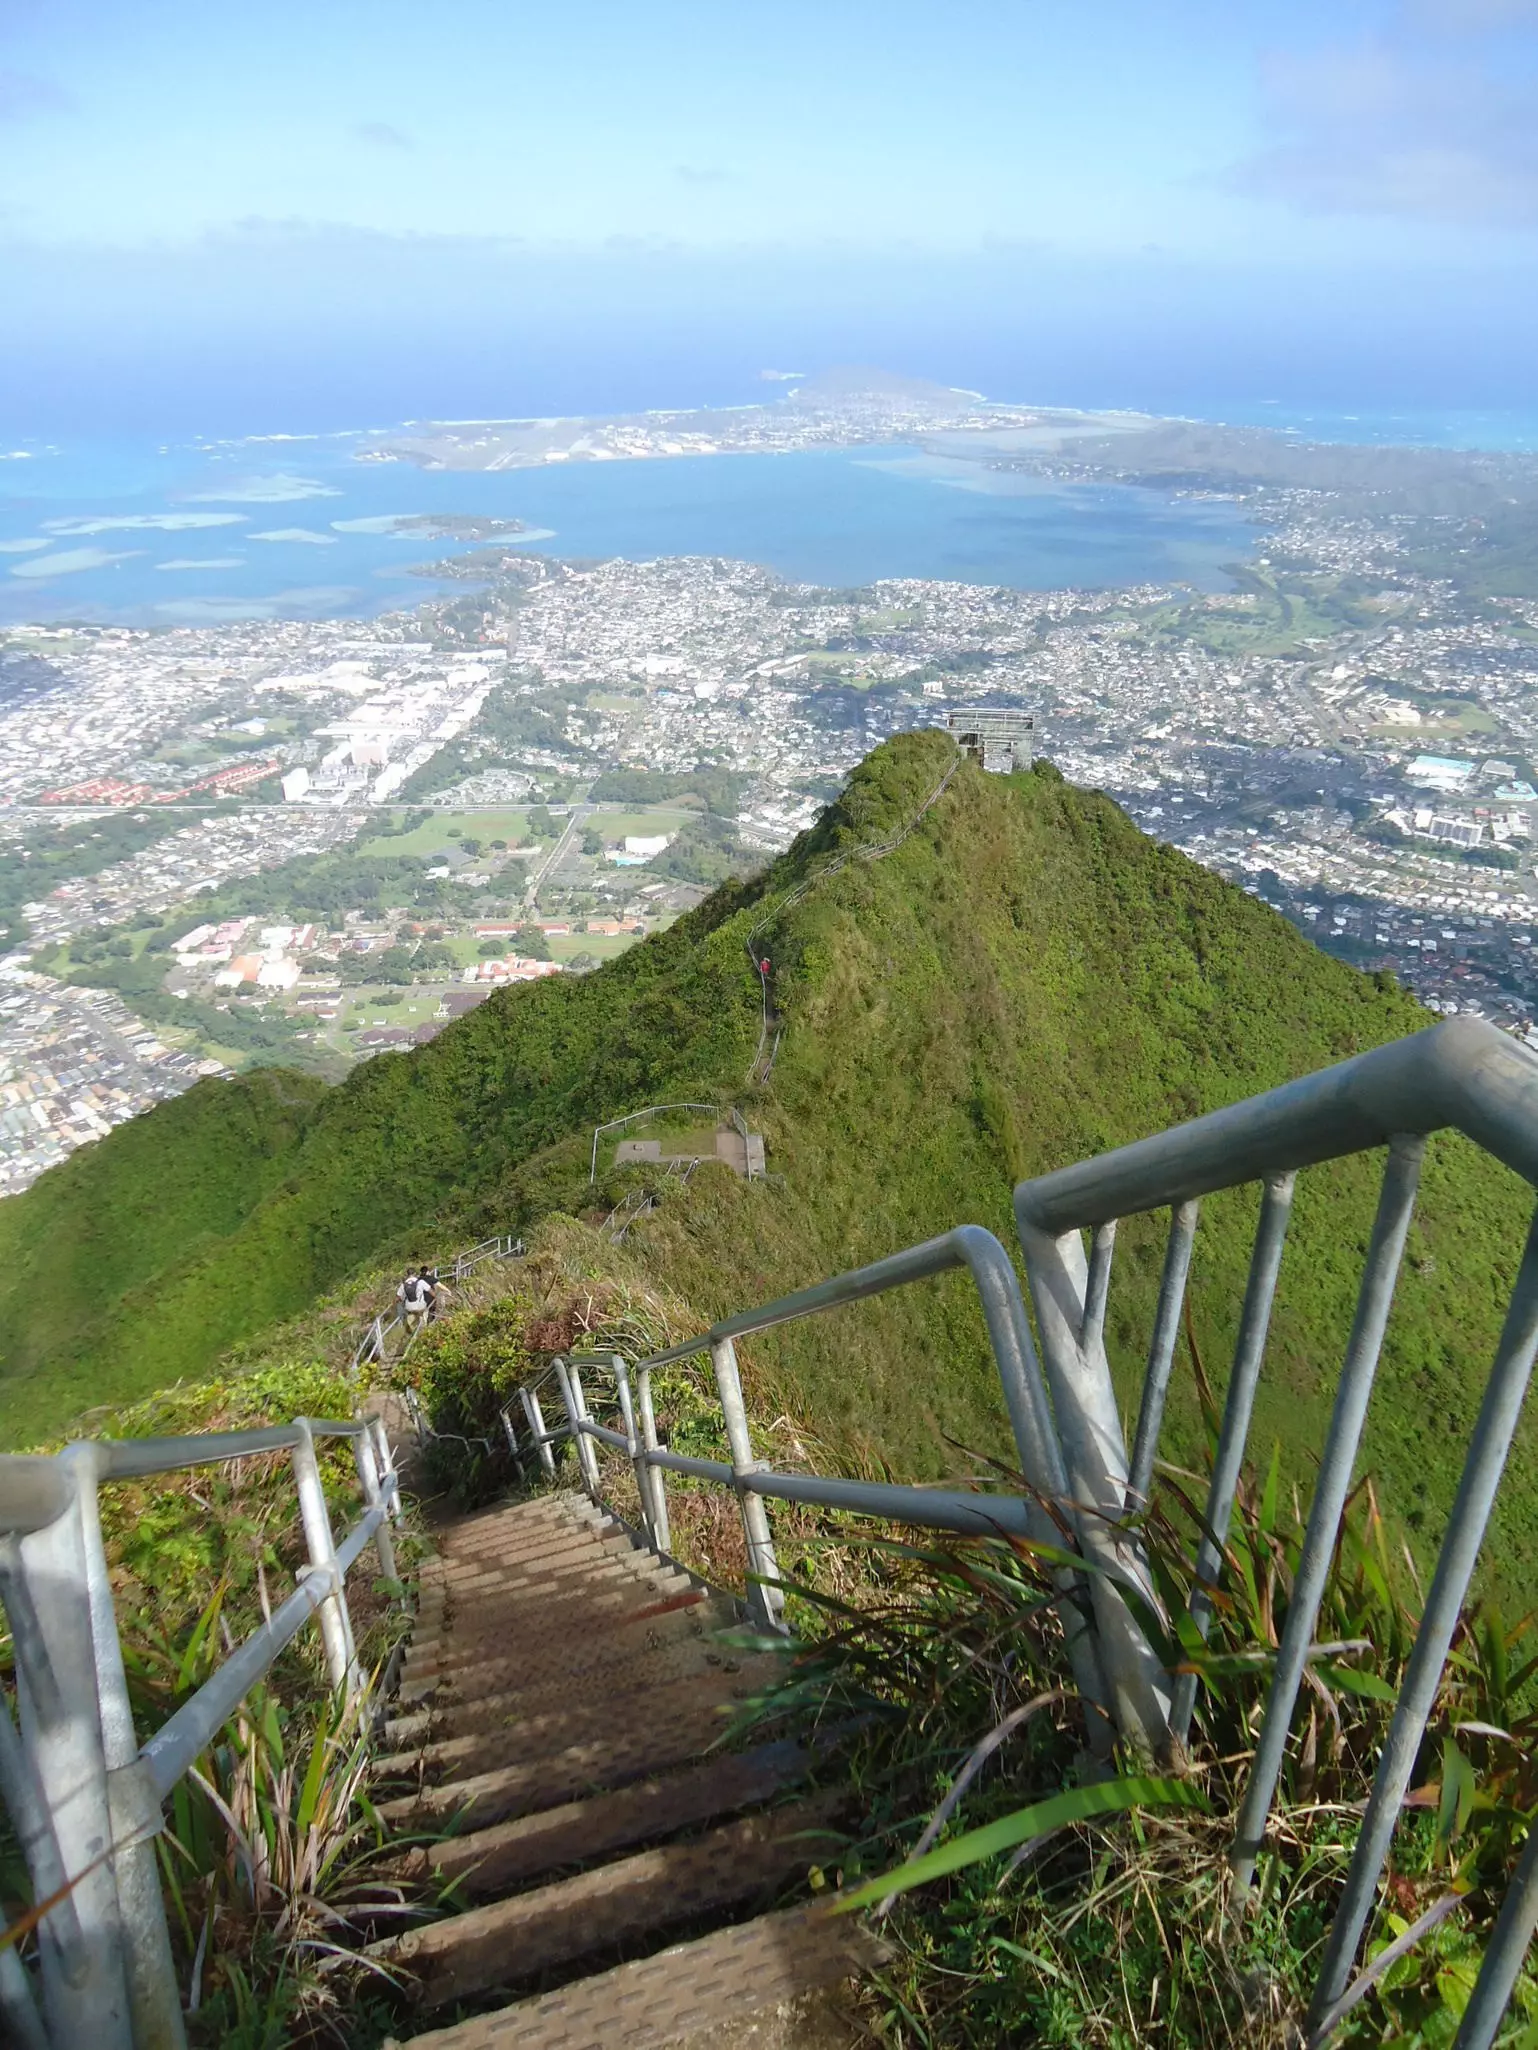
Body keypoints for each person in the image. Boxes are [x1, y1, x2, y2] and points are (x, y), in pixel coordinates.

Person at [397, 1266, 436, 1336]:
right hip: (420, 1306)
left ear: (407, 1275)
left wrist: (402, 1302)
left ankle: (413, 1334)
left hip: (409, 1307)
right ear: (415, 1273)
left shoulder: (403, 1285)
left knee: (411, 1317)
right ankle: (423, 1333)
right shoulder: (420, 1282)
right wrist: (436, 1298)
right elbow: (431, 1292)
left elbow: (398, 1297)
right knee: (424, 1313)